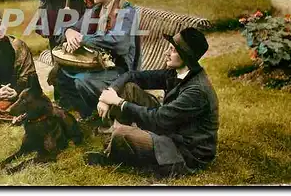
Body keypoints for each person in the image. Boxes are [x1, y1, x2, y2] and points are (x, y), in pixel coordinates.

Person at [85, 27, 219, 177]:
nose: (166, 53)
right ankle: (122, 143)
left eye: (173, 50)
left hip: (185, 152)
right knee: (129, 88)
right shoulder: (178, 72)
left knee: (121, 133)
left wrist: (119, 102)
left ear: (185, 56)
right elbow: (132, 75)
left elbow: (159, 119)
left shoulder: (196, 91)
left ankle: (117, 150)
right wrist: (108, 94)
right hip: (171, 129)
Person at [55, 0, 137, 120]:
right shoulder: (96, 9)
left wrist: (82, 39)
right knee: (60, 71)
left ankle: (112, 115)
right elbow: (71, 27)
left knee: (82, 80)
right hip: (99, 63)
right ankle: (88, 111)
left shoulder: (126, 11)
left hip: (120, 68)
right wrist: (69, 31)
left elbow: (118, 43)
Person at [0, 5, 39, 118]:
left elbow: (29, 75)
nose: (0, 29)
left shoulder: (19, 46)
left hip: (16, 92)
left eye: (1, 23)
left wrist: (16, 91)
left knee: (18, 102)